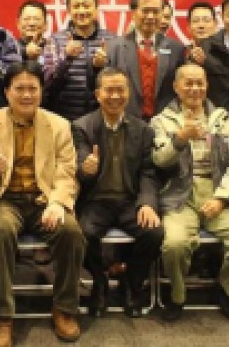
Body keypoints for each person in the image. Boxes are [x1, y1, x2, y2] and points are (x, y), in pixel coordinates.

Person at [0, 61, 85, 346]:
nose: (26, 95)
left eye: (32, 88)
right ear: (7, 92)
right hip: (5, 199)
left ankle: (64, 308)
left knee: (71, 232)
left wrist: (58, 203)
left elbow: (67, 172)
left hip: (43, 199)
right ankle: (1, 316)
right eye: (19, 89)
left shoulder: (59, 125)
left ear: (41, 90)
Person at [151, 64, 229, 322]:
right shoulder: (161, 121)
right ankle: (177, 296)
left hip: (216, 193)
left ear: (207, 85)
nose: (194, 88)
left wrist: (222, 198)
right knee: (175, 244)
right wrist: (180, 139)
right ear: (176, 87)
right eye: (188, 83)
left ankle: (228, 291)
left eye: (199, 83)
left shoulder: (225, 120)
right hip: (180, 196)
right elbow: (159, 160)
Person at [72, 68, 164, 318]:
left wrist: (147, 203)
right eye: (109, 90)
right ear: (97, 94)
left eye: (120, 90)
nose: (115, 96)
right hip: (96, 201)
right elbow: (80, 165)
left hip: (129, 201)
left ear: (128, 93)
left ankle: (131, 283)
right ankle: (99, 281)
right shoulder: (81, 127)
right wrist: (86, 169)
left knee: (154, 233)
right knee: (81, 234)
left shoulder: (143, 130)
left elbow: (148, 172)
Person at [106, 0, 185, 121]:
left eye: (156, 11)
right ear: (133, 13)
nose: (150, 16)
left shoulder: (176, 48)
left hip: (165, 123)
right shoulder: (114, 48)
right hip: (126, 121)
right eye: (146, 11)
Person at [44, 0, 116, 121]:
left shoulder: (112, 40)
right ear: (68, 10)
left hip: (101, 120)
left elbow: (118, 83)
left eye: (86, 5)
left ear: (96, 8)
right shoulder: (54, 41)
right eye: (76, 6)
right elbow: (48, 85)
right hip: (64, 119)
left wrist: (102, 68)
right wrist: (66, 59)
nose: (82, 11)